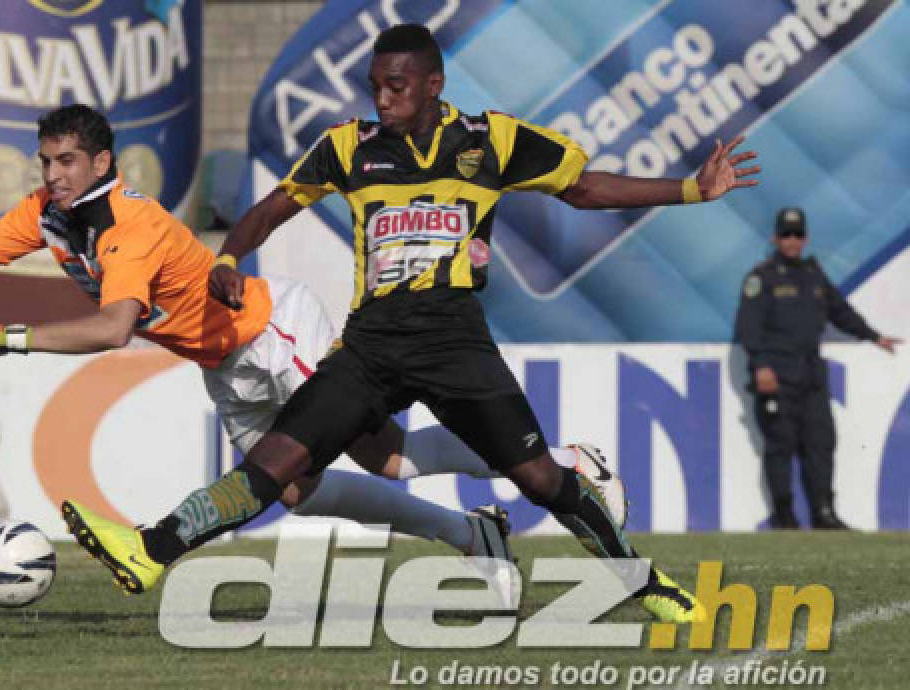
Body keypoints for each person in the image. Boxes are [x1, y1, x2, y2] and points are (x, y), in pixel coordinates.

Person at [63, 24, 760, 624]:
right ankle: (151, 551)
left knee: (541, 479)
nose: (383, 97)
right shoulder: (349, 148)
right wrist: (232, 253)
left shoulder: (493, 141)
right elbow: (277, 204)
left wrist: (692, 189)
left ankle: (641, 580)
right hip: (369, 344)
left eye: (396, 85)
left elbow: (584, 188)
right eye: (375, 85)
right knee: (274, 466)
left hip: (454, 338)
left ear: (433, 84)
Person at [0, 103, 612, 566]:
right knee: (302, 495)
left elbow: (111, 330)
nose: (53, 173)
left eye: (67, 160)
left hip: (271, 331)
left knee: (388, 457)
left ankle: (561, 465)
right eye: (45, 161)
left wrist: (11, 338)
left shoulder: (127, 225)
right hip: (222, 361)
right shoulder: (47, 214)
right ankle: (472, 534)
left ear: (102, 160)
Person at [734, 207, 900, 530]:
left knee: (821, 442)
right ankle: (785, 516)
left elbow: (840, 311)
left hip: (811, 373)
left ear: (805, 238)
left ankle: (824, 513)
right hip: (777, 373)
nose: (792, 241)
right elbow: (749, 328)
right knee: (780, 445)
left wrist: (873, 336)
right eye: (786, 234)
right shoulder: (761, 278)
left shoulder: (813, 275)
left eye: (797, 235)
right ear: (775, 238)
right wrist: (761, 366)